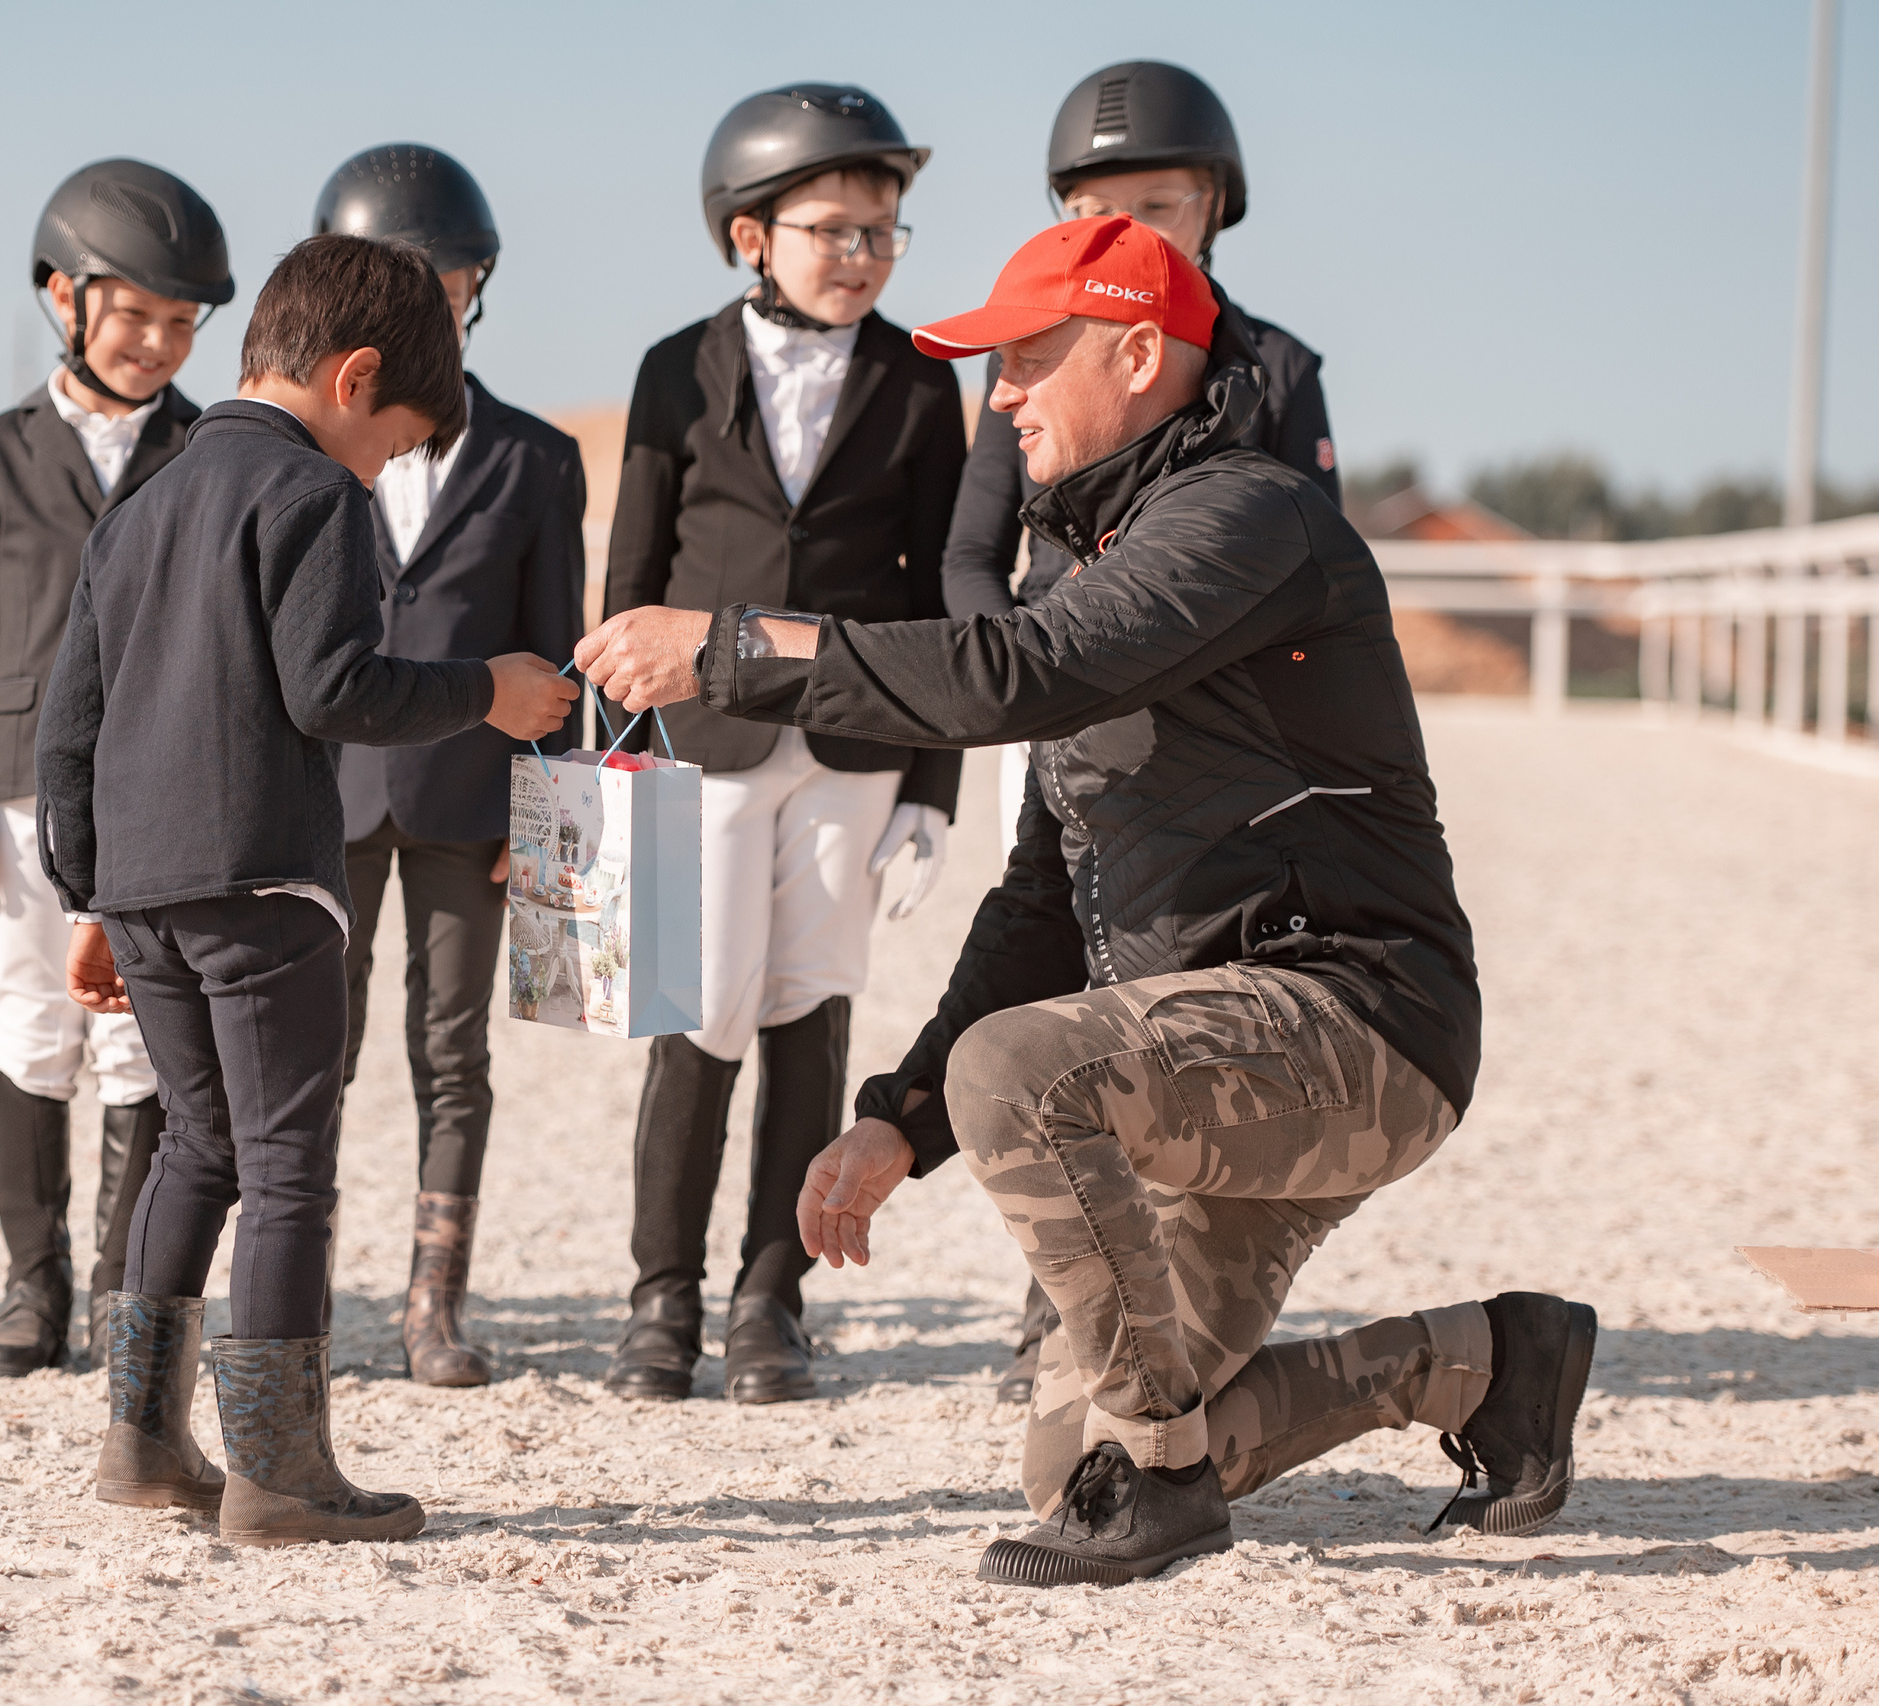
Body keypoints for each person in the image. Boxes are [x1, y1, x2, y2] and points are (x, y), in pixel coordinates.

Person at [576, 217, 1595, 1586]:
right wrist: (899, 1118)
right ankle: (1487, 1362)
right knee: (1078, 1465)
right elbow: (1040, 898)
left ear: (1135, 353)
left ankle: (1169, 1486)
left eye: (1025, 363)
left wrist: (733, 641)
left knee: (1027, 1084)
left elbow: (1020, 673)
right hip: (1204, 1056)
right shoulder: (1092, 565)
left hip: (1353, 1026)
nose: (997, 401)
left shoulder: (1253, 515)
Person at [37, 234, 578, 1543]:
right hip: (265, 875)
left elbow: (66, 726)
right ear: (354, 379)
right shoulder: (313, 496)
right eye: (389, 444)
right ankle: (278, 1471)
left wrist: (89, 888)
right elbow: (333, 686)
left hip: (145, 881)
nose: (380, 467)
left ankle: (142, 1438)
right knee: (287, 1160)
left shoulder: (145, 500)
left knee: (194, 1139)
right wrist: (487, 689)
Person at [954, 61, 1349, 1407]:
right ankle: (1052, 1281)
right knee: (1055, 968)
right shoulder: (1042, 350)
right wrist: (1018, 662)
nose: (1133, 222)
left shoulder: (1279, 371)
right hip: (1059, 699)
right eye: (1096, 201)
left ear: (1217, 206)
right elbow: (967, 558)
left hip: (1217, 734)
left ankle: (1177, 1260)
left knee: (1184, 979)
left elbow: (1300, 563)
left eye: (1160, 202)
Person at [598, 84, 967, 1408]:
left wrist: (935, 782)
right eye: (833, 229)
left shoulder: (926, 381)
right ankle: (662, 1298)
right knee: (698, 1013)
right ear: (751, 235)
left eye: (883, 232)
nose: (862, 254)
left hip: (858, 741)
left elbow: (945, 599)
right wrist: (608, 782)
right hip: (700, 741)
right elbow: (630, 585)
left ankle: (771, 1297)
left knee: (810, 1007)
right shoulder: (671, 369)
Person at [0, 159, 231, 1378]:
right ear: (64, 295)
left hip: (153, 781)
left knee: (138, 1033)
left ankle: (122, 1287)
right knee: (32, 1017)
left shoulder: (210, 446)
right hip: (13, 780)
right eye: (134, 315)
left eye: (179, 323)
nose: (157, 342)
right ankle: (29, 1286)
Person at [312, 144, 586, 1389]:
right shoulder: (306, 454)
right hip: (331, 793)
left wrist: (543, 818)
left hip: (469, 799)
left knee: (453, 1050)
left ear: (480, 286)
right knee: (318, 1043)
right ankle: (297, 1286)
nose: (434, 297)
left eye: (452, 277)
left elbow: (553, 648)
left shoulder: (535, 458)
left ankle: (435, 1302)